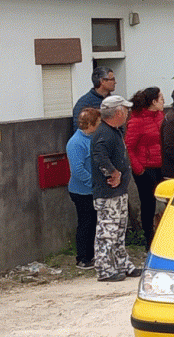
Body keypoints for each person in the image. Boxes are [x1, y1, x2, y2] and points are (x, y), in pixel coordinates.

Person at [90, 95, 141, 283]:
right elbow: (99, 156)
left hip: (118, 192)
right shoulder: (104, 133)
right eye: (126, 110)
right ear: (118, 112)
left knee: (119, 230)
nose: (127, 113)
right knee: (107, 231)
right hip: (108, 193)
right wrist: (113, 173)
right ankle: (104, 269)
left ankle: (121, 263)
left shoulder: (115, 131)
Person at [125, 86, 165, 251]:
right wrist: (139, 169)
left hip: (161, 165)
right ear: (153, 102)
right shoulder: (136, 121)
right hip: (145, 167)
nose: (163, 101)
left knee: (166, 200)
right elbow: (129, 146)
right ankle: (148, 240)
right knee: (148, 204)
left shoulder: (160, 116)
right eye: (161, 98)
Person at [66, 107, 100, 270]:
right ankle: (83, 257)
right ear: (91, 124)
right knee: (86, 223)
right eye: (98, 122)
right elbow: (77, 170)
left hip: (91, 190)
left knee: (93, 222)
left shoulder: (90, 138)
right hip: (82, 191)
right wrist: (93, 183)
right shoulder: (76, 143)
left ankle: (91, 255)